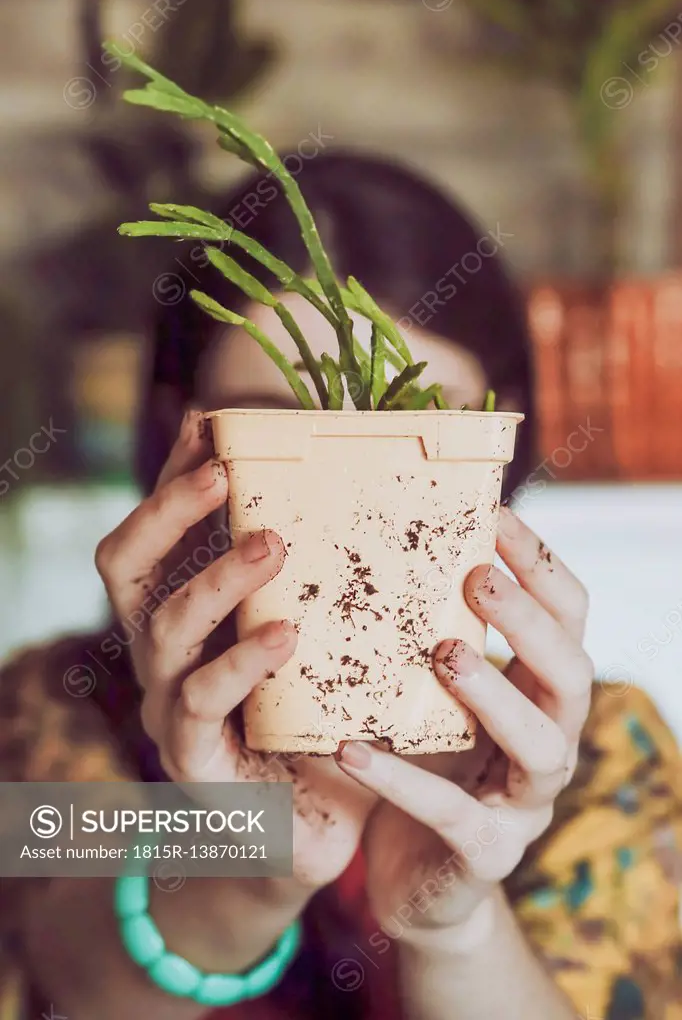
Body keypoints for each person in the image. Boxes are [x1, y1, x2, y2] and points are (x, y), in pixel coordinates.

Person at [1, 151, 680, 1020]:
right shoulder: (59, 708)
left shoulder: (600, 756)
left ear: (494, 446)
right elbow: (70, 973)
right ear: (186, 435)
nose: (350, 501)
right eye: (283, 431)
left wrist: (454, 927)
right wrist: (253, 854)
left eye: (410, 424)